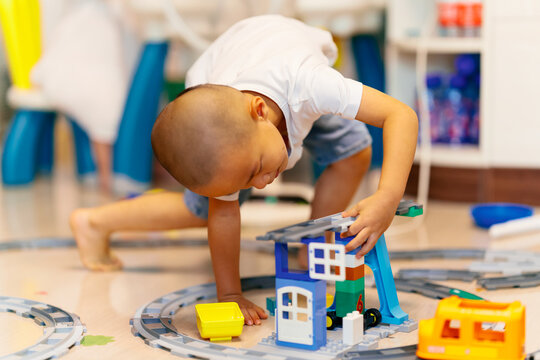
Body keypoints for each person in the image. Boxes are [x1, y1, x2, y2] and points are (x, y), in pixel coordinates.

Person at [70, 15, 418, 326]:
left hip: (282, 57)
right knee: (204, 210)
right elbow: (224, 215)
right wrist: (230, 294)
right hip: (218, 76)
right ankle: (95, 222)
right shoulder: (225, 137)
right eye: (250, 180)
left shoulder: (311, 84)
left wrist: (387, 197)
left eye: (257, 169)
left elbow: (400, 115)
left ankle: (310, 245)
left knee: (355, 151)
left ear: (259, 111)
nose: (265, 185)